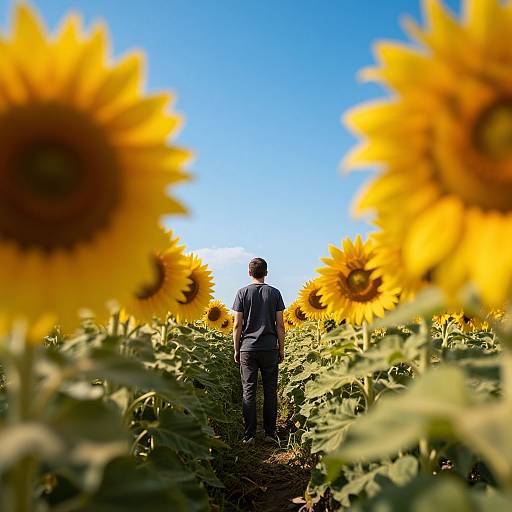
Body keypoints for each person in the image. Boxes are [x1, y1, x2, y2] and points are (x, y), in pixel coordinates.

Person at [232, 257, 285, 445]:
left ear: (249, 273)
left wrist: (236, 349)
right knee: (270, 391)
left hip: (248, 348)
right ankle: (270, 433)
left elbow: (237, 324)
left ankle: (249, 435)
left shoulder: (242, 293)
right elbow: (280, 324)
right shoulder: (275, 293)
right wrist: (281, 348)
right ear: (266, 273)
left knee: (249, 391)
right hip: (270, 347)